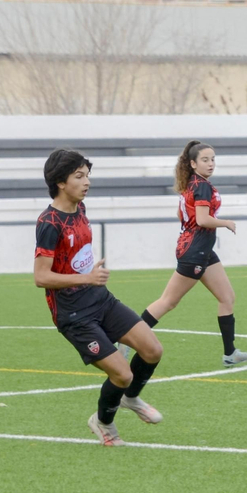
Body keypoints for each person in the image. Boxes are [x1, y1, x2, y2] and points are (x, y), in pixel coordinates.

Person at [35, 148, 164, 446]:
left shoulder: (79, 208)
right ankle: (103, 422)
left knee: (152, 350)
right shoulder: (49, 223)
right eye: (79, 176)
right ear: (60, 182)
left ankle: (130, 399)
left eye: (88, 175)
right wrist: (86, 278)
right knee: (122, 374)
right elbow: (40, 277)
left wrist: (90, 277)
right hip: (74, 315)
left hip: (100, 300)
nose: (87, 182)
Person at [134, 141, 247, 366]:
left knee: (227, 297)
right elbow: (202, 219)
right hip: (195, 251)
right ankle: (128, 338)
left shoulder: (191, 183)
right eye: (205, 160)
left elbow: (181, 214)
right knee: (168, 301)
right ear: (193, 163)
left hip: (202, 250)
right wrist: (225, 222)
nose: (211, 164)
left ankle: (230, 353)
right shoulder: (202, 186)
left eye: (213, 159)